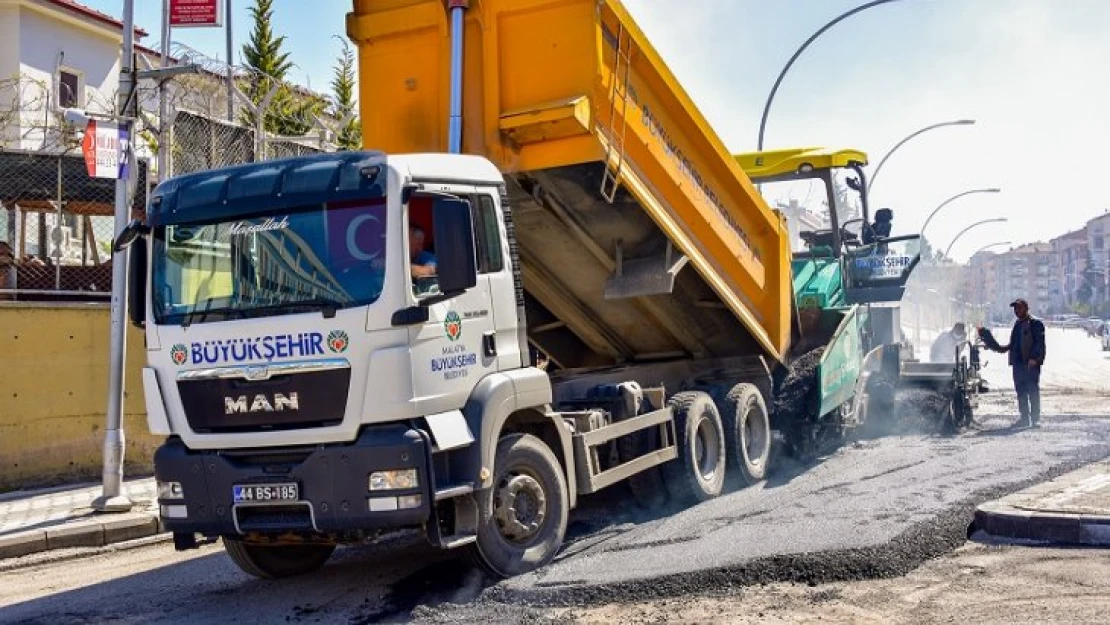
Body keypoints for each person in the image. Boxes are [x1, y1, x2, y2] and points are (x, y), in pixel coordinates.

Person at [982, 298, 1046, 427]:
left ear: (1026, 308)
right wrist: (996, 346)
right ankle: (1024, 418)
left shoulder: (1036, 324)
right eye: (1015, 309)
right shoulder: (1017, 324)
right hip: (1018, 365)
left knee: (1032, 391)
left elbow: (1040, 343)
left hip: (1030, 364)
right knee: (1021, 391)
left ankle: (1035, 419)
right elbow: (1014, 344)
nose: (1017, 311)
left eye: (1020, 308)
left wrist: (1034, 358)